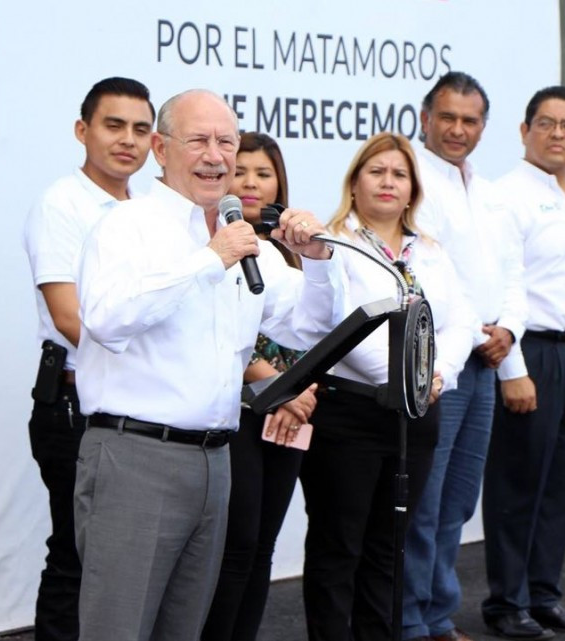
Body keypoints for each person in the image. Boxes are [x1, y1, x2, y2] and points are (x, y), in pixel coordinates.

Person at [73, 89, 342, 641]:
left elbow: (309, 327)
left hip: (216, 460)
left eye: (226, 141)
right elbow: (105, 318)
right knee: (118, 629)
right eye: (198, 140)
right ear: (160, 149)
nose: (216, 155)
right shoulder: (128, 226)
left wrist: (317, 264)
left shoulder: (249, 243)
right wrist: (209, 260)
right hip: (136, 458)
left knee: (186, 630)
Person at [300, 132, 477, 641]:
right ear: (354, 183)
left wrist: (435, 375)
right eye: (376, 171)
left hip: (416, 417)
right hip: (351, 415)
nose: (388, 182)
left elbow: (460, 321)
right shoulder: (336, 246)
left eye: (399, 174)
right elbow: (340, 326)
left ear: (412, 190)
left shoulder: (432, 252)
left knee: (388, 548)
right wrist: (409, 381)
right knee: (339, 548)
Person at [21, 76, 154, 641]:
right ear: (83, 130)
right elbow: (69, 316)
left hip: (134, 405)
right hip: (76, 403)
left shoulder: (151, 212)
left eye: (142, 129)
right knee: (77, 558)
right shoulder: (61, 205)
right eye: (114, 125)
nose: (128, 140)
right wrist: (156, 362)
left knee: (123, 565)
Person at [481, 86, 565, 640]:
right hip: (534, 353)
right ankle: (507, 603)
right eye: (546, 123)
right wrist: (513, 372)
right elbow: (502, 286)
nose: (557, 134)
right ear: (524, 130)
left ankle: (544, 594)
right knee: (518, 482)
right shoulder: (505, 196)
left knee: (563, 483)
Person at [402, 72, 526, 641]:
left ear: (483, 127)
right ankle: (407, 619)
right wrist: (478, 331)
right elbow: (426, 273)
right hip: (435, 359)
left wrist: (509, 332)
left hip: (484, 361)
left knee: (456, 501)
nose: (457, 129)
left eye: (470, 120)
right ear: (425, 118)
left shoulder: (489, 189)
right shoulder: (411, 178)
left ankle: (436, 614)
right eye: (447, 117)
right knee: (423, 502)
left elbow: (512, 272)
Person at [201, 132, 318, 641]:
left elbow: (316, 327)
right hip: (243, 411)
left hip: (294, 412)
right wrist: (276, 383)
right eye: (241, 170)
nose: (250, 182)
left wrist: (305, 390)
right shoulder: (215, 244)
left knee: (264, 544)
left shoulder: (290, 250)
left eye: (263, 173)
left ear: (279, 183)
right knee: (238, 544)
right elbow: (224, 331)